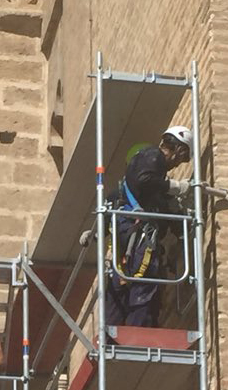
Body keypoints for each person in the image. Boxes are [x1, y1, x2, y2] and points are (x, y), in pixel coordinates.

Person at [81, 125, 193, 327]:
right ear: (179, 150)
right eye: (181, 159)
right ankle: (136, 332)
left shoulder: (134, 190)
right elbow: (146, 180)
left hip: (127, 236)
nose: (176, 165)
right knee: (144, 280)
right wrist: (174, 187)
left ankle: (112, 331)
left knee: (120, 284)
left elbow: (164, 211)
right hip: (139, 235)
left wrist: (182, 232)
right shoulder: (153, 156)